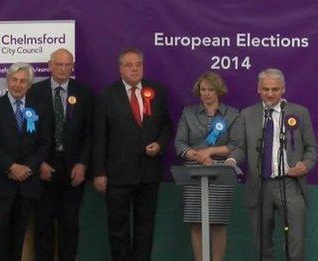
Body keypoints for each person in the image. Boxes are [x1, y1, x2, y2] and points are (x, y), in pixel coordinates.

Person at [93, 48, 172, 260]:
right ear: (120, 69)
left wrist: (159, 144)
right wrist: (99, 172)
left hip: (148, 173)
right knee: (118, 228)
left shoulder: (157, 92)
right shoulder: (106, 96)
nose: (135, 69)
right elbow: (99, 137)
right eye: (129, 65)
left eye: (138, 64)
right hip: (117, 174)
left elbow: (166, 126)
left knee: (145, 228)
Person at [232, 68, 317, 260]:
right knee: (262, 244)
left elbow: (312, 147)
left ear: (283, 90)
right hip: (260, 185)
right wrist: (231, 159)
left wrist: (306, 164)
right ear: (258, 90)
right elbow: (240, 148)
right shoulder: (247, 114)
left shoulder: (299, 113)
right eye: (266, 89)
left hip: (291, 184)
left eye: (275, 89)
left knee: (295, 243)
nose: (270, 93)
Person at [0, 62, 52, 261]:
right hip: (1, 183)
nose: (18, 85)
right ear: (7, 81)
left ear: (29, 85)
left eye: (23, 81)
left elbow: (45, 143)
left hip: (26, 184)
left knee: (17, 236)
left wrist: (28, 167)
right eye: (14, 80)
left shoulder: (40, 109)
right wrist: (11, 166)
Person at [30, 48, 93, 261]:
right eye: (59, 64)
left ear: (72, 66)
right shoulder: (34, 92)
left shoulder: (83, 93)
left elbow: (89, 133)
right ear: (50, 65)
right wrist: (38, 164)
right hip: (44, 168)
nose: (63, 69)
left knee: (69, 227)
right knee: (43, 226)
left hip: (73, 169)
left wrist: (82, 164)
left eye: (67, 65)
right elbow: (28, 134)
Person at [174, 71, 240, 261]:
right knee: (196, 223)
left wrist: (210, 152)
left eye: (211, 89)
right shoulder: (188, 113)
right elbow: (180, 143)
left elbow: (236, 145)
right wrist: (196, 155)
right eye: (203, 89)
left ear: (218, 91)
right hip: (194, 171)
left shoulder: (232, 114)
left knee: (217, 224)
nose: (206, 93)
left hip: (221, 172)